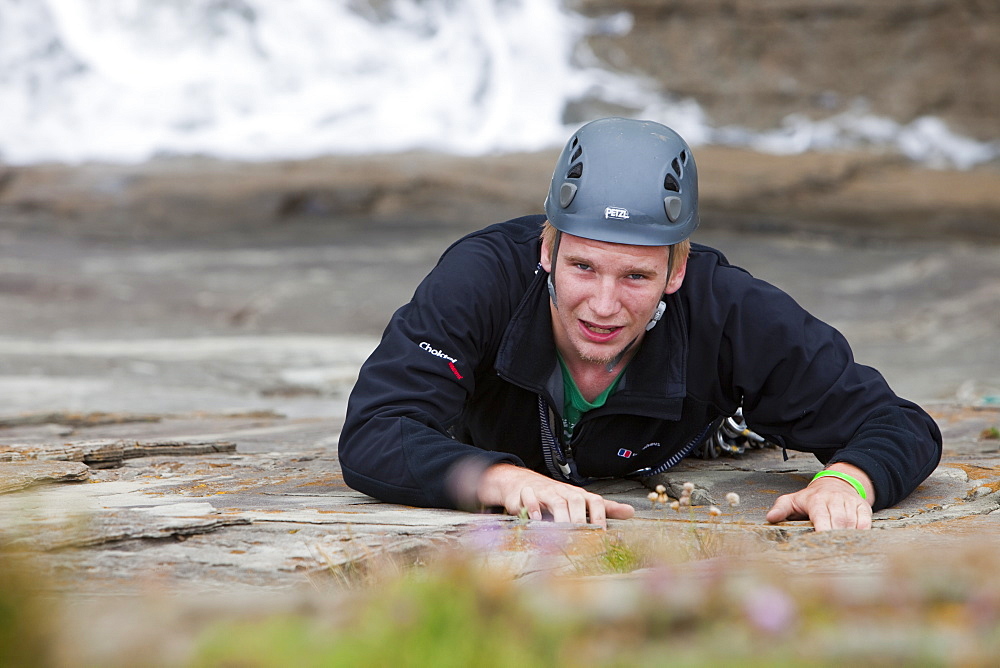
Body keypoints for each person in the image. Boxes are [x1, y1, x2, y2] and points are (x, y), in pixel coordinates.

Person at [338, 117, 941, 531]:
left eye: (635, 277)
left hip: (683, 437)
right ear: (545, 250)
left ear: (677, 269)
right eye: (581, 266)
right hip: (498, 442)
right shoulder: (480, 279)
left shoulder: (724, 305)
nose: (603, 305)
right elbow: (375, 430)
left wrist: (850, 482)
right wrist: (500, 479)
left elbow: (897, 422)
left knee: (739, 431)